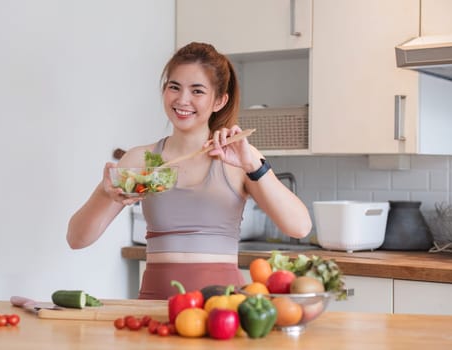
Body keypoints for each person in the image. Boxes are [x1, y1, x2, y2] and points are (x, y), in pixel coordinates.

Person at [66, 42, 312, 300]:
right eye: (174, 87)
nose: (182, 100)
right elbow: (77, 238)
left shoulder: (239, 159)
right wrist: (105, 194)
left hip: (222, 313)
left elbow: (300, 227)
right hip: (154, 312)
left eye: (197, 91)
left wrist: (253, 166)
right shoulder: (142, 160)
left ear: (219, 100)